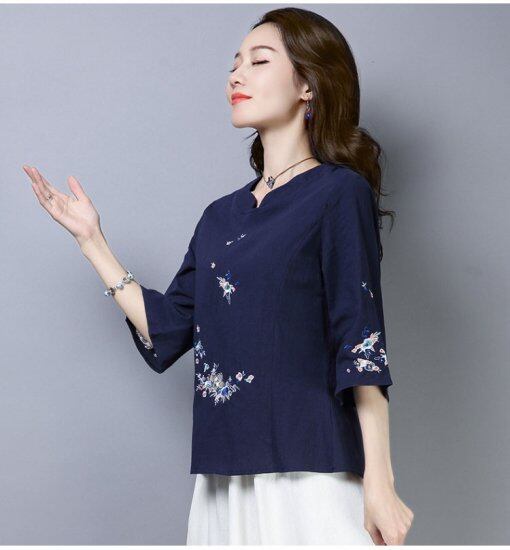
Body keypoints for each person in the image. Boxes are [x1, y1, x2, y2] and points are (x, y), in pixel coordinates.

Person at [23, 6, 414, 545]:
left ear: (308, 85)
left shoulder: (337, 193)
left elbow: (360, 342)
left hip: (309, 468)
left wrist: (380, 481)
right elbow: (169, 328)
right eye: (235, 63)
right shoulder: (220, 216)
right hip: (222, 476)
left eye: (259, 61)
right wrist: (92, 241)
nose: (236, 75)